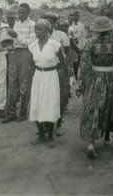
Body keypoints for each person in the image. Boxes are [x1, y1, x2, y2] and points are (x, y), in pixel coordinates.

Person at [76, 16, 113, 159]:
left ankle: (91, 142)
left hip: (95, 78)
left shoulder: (90, 43)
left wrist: (80, 83)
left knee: (94, 107)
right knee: (109, 105)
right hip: (110, 77)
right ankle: (107, 137)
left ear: (96, 30)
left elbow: (84, 65)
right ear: (110, 29)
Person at [28, 19, 68, 148]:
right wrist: (26, 81)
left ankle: (50, 136)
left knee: (50, 106)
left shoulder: (55, 45)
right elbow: (31, 65)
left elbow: (63, 64)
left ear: (48, 30)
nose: (37, 32)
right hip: (38, 77)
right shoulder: (32, 45)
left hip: (51, 77)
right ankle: (41, 134)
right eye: (35, 30)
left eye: (40, 29)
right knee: (36, 105)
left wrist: (66, 80)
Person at [2, 3, 36, 123]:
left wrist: (16, 36)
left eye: (22, 12)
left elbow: (32, 43)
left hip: (27, 54)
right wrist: (10, 44)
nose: (19, 14)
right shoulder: (16, 24)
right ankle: (11, 113)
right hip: (15, 53)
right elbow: (15, 41)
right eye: (19, 12)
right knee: (12, 83)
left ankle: (22, 113)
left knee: (24, 84)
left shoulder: (33, 25)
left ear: (28, 13)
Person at [42, 12, 71, 136]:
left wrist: (63, 68)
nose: (49, 24)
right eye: (47, 22)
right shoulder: (41, 35)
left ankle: (58, 124)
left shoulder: (61, 35)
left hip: (59, 69)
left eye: (52, 22)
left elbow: (69, 53)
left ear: (55, 23)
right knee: (46, 97)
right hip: (45, 70)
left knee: (60, 98)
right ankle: (46, 123)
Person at [71, 11, 86, 79]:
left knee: (79, 62)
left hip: (79, 46)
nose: (76, 17)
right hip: (72, 45)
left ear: (79, 17)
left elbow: (83, 37)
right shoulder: (70, 25)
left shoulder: (82, 25)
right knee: (74, 62)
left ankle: (78, 77)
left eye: (77, 16)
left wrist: (83, 47)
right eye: (75, 16)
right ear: (73, 16)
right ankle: (74, 77)